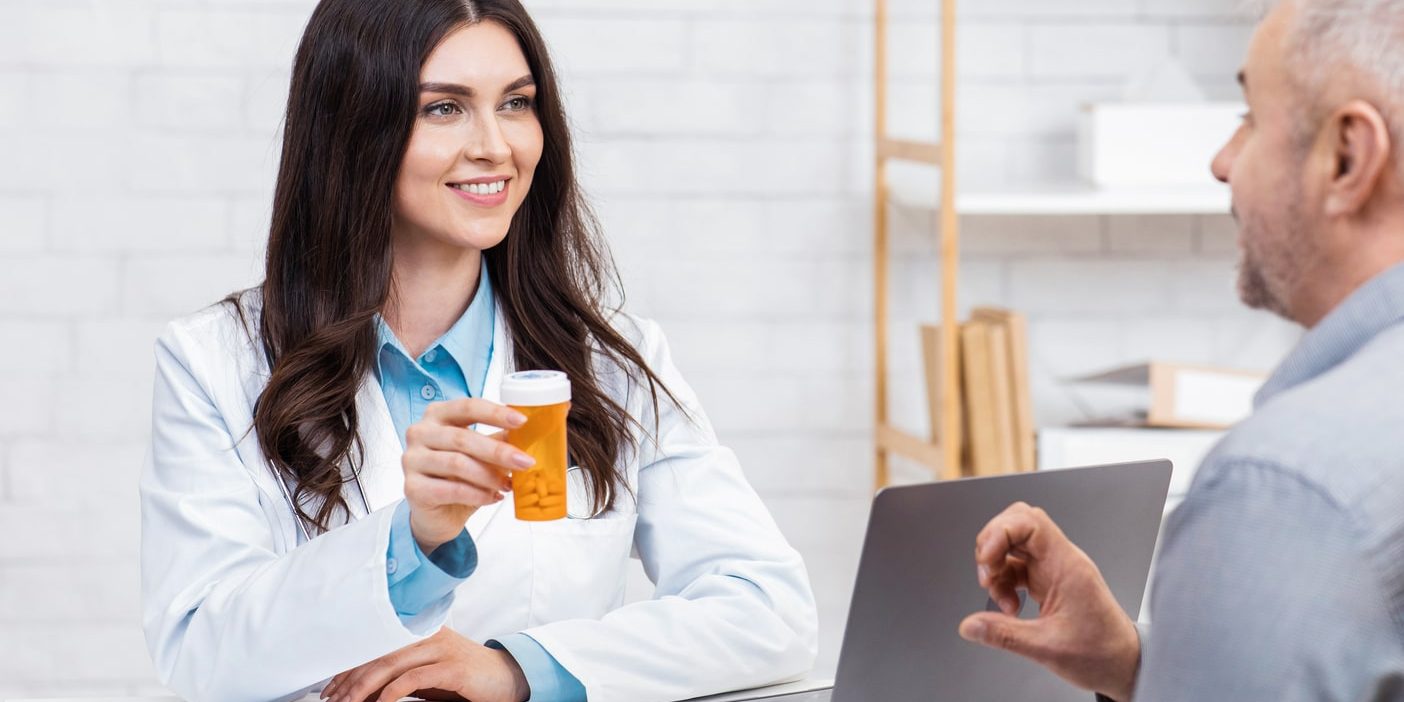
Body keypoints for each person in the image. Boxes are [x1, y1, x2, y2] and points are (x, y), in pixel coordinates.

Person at [137, 1, 818, 701]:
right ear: (352, 125)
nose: (496, 146)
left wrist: (518, 668)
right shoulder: (216, 361)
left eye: (516, 103)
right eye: (444, 109)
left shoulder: (615, 361)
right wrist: (414, 540)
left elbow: (769, 611)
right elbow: (199, 648)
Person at [955, 0, 1404, 699]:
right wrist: (1138, 667)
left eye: (1250, 118)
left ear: (1347, 156)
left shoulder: (1280, 495)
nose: (1222, 162)